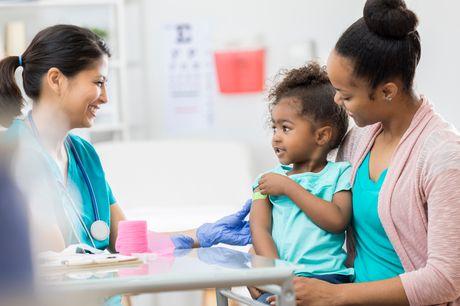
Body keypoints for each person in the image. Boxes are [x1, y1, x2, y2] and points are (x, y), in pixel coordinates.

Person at [268, 0, 460, 305]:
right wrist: (263, 260)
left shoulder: (443, 157)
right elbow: (316, 217)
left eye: (347, 95)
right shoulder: (356, 143)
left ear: (387, 91)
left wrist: (337, 295)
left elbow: (447, 279)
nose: (337, 102)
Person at [249, 63, 353, 304]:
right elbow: (259, 229)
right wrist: (277, 278)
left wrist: (289, 187)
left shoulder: (340, 174)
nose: (276, 136)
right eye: (274, 127)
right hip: (280, 278)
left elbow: (337, 221)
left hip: (327, 279)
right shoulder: (264, 182)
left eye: (286, 128)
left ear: (321, 136)